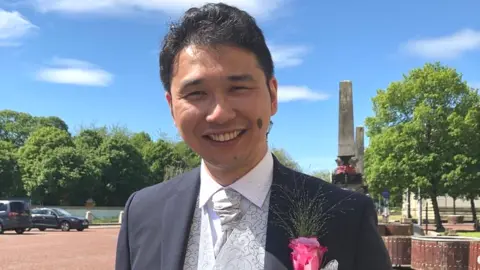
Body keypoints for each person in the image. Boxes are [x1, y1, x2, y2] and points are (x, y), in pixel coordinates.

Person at [115, 3, 392, 270]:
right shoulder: (142, 213)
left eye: (238, 88)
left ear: (272, 95)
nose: (219, 114)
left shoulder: (346, 215)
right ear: (172, 108)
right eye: (196, 93)